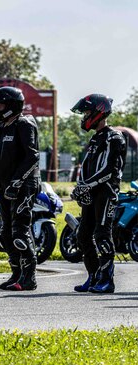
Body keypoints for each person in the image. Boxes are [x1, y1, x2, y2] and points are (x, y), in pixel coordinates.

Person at [70, 94, 126, 294]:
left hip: (106, 193)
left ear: (98, 112)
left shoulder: (114, 137)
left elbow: (109, 170)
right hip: (92, 193)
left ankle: (106, 280)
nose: (84, 117)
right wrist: (80, 187)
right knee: (83, 235)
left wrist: (88, 185)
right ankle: (93, 275)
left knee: (102, 235)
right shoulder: (95, 138)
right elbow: (86, 168)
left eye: (86, 112)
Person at [0, 86, 41, 291]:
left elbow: (32, 156)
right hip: (5, 187)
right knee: (5, 234)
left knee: (20, 232)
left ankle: (29, 277)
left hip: (23, 187)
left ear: (11, 106)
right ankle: (16, 274)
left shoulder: (24, 123)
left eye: (0, 105)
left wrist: (17, 182)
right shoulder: (3, 127)